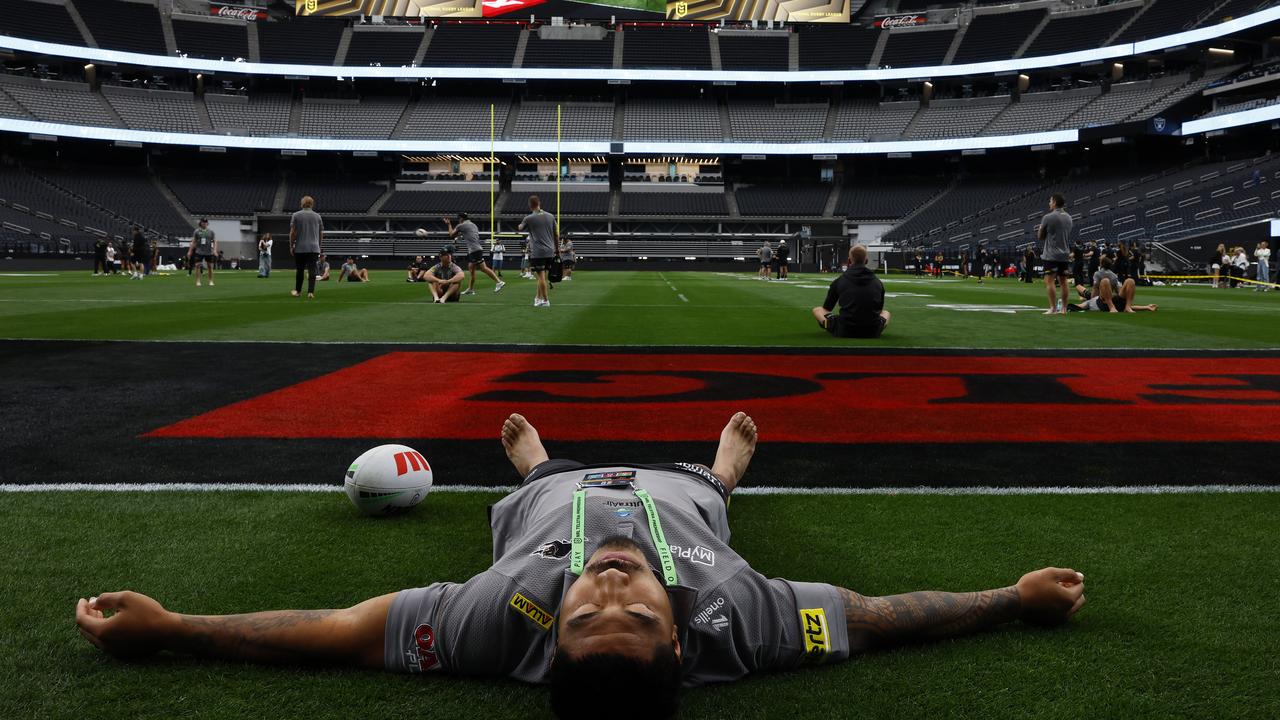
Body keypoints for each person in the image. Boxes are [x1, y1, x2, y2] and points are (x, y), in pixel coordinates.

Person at [73, 411, 1086, 720]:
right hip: (683, 486)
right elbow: (877, 616)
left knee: (541, 478)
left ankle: (536, 461)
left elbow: (337, 631)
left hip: (548, 493)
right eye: (634, 614)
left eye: (584, 614)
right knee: (711, 494)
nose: (608, 588)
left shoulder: (487, 625)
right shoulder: (744, 622)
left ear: (545, 634)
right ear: (681, 636)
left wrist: (174, 629)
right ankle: (727, 470)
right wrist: (1010, 598)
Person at [811, 244, 890, 339]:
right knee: (886, 313)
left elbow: (827, 308)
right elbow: (879, 310)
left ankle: (830, 326)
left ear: (849, 261)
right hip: (872, 331)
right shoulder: (878, 282)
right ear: (866, 261)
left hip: (845, 330)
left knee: (817, 310)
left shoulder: (840, 280)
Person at [445, 213, 504, 295]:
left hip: (474, 250)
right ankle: (470, 289)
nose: (459, 220)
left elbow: (451, 234)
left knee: (483, 268)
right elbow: (467, 234)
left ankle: (499, 282)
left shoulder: (461, 225)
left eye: (459, 219)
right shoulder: (473, 225)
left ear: (461, 219)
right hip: (476, 249)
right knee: (471, 270)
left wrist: (449, 224)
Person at [1037, 193, 1073, 315]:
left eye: (1050, 201)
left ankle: (1053, 308)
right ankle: (1064, 308)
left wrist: (1040, 229)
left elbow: (1040, 236)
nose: (1049, 203)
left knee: (1049, 280)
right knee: (1064, 282)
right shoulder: (1069, 217)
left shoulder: (1048, 217)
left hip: (1051, 254)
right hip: (1065, 254)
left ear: (1055, 202)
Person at [519, 196, 558, 307]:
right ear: (539, 203)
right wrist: (558, 250)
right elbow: (556, 235)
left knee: (541, 277)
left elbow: (520, 228)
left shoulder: (529, 218)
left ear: (530, 205)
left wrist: (522, 223)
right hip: (550, 251)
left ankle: (546, 300)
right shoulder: (550, 216)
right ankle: (538, 298)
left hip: (538, 252)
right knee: (543, 276)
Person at [290, 196, 323, 299]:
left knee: (300, 270)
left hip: (300, 247)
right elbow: (321, 233)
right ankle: (310, 292)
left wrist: (291, 245)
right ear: (312, 204)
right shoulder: (317, 216)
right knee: (312, 269)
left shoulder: (296, 215)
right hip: (314, 247)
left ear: (302, 204)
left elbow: (293, 232)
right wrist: (319, 245)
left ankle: (298, 291)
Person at [187, 219, 217, 288]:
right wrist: (189, 251)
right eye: (203, 222)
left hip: (209, 251)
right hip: (199, 251)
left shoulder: (211, 232)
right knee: (197, 265)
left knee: (210, 266)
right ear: (201, 223)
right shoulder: (197, 231)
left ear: (207, 223)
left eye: (206, 222)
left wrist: (214, 250)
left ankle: (211, 281)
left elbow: (215, 241)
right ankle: (198, 281)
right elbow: (194, 241)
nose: (204, 224)